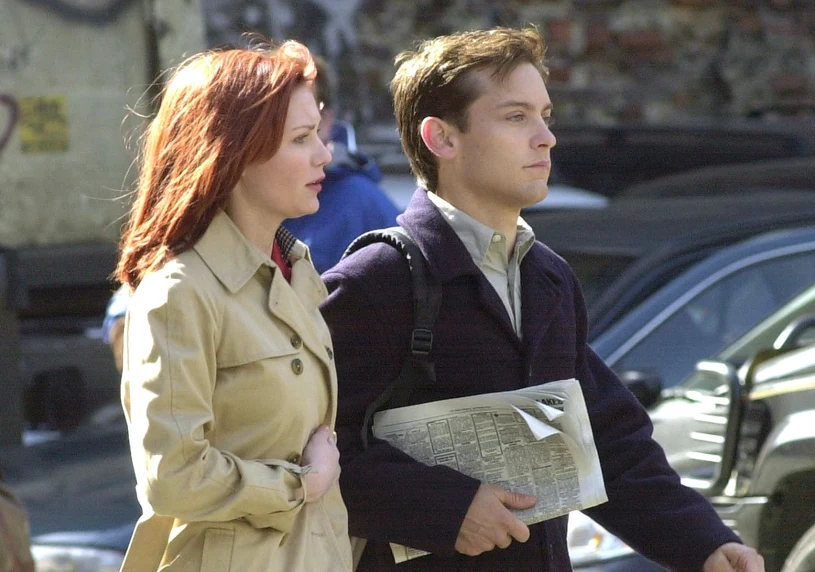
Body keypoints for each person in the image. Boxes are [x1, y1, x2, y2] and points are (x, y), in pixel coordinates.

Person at [319, 27, 765, 572]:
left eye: (546, 115)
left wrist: (705, 543)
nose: (546, 138)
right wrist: (445, 508)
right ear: (441, 138)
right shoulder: (376, 280)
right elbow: (306, 452)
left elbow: (606, 440)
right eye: (516, 117)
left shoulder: (548, 278)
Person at [114, 41, 352, 572]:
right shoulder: (179, 291)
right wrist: (301, 483)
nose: (324, 154)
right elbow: (171, 478)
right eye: (301, 138)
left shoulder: (295, 269)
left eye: (319, 133)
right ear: (235, 153)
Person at [283, 57, 400, 274]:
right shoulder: (242, 209)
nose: (322, 157)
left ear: (326, 121)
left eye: (302, 134)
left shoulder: (358, 202)